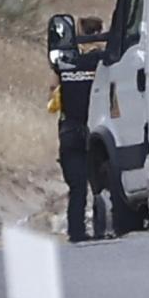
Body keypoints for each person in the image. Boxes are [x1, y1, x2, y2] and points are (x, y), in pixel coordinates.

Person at [48, 16, 105, 242]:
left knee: (78, 187)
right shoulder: (103, 61)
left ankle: (77, 232)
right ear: (101, 31)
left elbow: (52, 89)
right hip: (98, 130)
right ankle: (104, 228)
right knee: (102, 184)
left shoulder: (64, 63)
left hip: (70, 129)